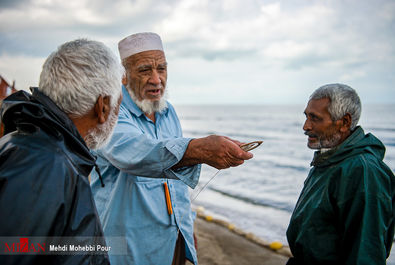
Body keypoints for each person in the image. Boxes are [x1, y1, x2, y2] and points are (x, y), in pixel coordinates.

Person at [90, 32, 253, 265]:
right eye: (145, 70)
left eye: (162, 69)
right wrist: (200, 150)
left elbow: (174, 185)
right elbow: (136, 153)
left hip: (171, 241)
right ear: (123, 76)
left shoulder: (168, 111)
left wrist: (186, 228)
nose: (156, 80)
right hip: (125, 247)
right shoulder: (109, 111)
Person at [0, 39, 123, 264]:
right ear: (103, 106)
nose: (118, 113)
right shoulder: (45, 166)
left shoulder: (41, 148)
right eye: (119, 103)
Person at [286, 83, 395, 264]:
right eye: (306, 116)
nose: (305, 126)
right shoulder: (329, 159)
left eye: (315, 118)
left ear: (344, 122)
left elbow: (365, 253)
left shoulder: (363, 172)